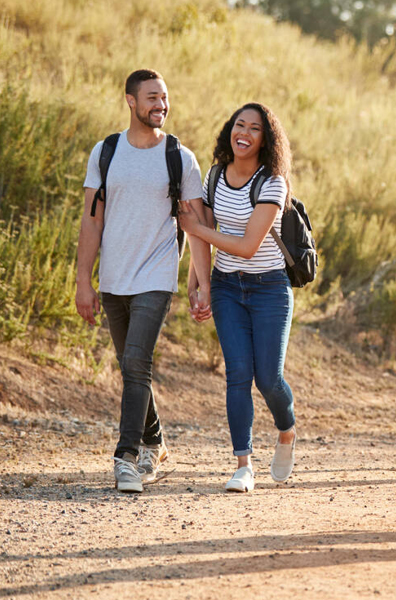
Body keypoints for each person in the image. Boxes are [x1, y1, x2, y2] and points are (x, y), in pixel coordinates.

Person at [76, 69, 205, 493]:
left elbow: (197, 224)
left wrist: (198, 281)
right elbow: (92, 220)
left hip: (156, 274)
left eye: (165, 98)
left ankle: (126, 457)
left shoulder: (180, 158)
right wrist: (84, 282)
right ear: (130, 101)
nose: (161, 105)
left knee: (137, 363)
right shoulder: (106, 151)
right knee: (130, 366)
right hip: (114, 277)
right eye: (152, 98)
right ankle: (155, 440)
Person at [178, 103, 298, 493]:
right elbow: (204, 234)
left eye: (254, 128)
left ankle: (286, 431)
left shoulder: (272, 183)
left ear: (267, 139)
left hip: (269, 289)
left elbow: (247, 246)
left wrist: (195, 227)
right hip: (228, 286)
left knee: (268, 378)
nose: (243, 132)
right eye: (238, 124)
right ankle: (243, 465)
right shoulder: (214, 177)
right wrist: (198, 284)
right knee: (237, 375)